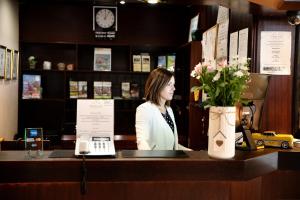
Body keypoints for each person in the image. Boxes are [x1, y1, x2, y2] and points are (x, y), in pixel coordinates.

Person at [135, 67, 191, 150]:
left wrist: (191, 152)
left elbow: (172, 145)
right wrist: (150, 161)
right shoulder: (144, 109)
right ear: (157, 85)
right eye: (169, 84)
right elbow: (142, 142)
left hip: (170, 161)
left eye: (173, 85)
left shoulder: (169, 109)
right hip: (157, 161)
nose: (173, 88)